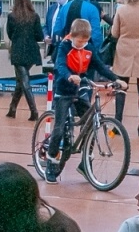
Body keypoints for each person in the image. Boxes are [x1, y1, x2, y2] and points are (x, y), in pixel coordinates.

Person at [43, 17, 122, 174]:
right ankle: (51, 160)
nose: (82, 44)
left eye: (85, 41)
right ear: (72, 36)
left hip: (81, 88)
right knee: (59, 128)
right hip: (64, 89)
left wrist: (116, 79)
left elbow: (100, 66)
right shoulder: (64, 47)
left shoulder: (90, 49)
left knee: (90, 123)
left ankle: (86, 161)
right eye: (79, 41)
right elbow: (60, 65)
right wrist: (69, 76)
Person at [4, 0, 44, 121]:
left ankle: (34, 111)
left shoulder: (11, 17)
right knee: (21, 80)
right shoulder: (34, 16)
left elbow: (10, 34)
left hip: (18, 51)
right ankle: (12, 108)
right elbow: (39, 36)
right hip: (32, 51)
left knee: (24, 81)